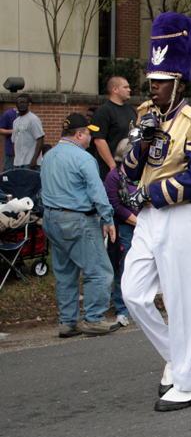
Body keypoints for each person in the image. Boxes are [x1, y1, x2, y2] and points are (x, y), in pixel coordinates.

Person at [120, 13, 191, 412]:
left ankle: (189, 385)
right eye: (152, 80)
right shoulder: (145, 114)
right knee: (133, 293)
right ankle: (177, 358)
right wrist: (142, 141)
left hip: (178, 214)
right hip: (148, 217)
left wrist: (151, 192)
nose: (153, 87)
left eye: (161, 81)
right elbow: (128, 170)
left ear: (178, 82)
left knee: (180, 301)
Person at [41, 113, 119, 337]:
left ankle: (68, 322)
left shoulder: (49, 156)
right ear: (79, 134)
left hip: (51, 218)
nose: (90, 138)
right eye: (88, 134)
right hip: (77, 219)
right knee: (99, 270)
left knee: (65, 273)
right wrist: (107, 219)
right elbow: (97, 192)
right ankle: (93, 318)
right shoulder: (83, 158)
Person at [103, 145, 139, 327]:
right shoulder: (114, 177)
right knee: (124, 270)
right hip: (126, 228)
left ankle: (141, 308)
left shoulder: (142, 174)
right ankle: (122, 310)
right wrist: (140, 223)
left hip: (146, 226)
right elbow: (116, 207)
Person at [93, 76, 138, 181]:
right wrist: (112, 166)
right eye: (125, 87)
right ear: (115, 89)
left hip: (130, 168)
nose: (129, 90)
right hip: (110, 172)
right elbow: (99, 140)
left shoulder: (130, 109)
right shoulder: (103, 111)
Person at [11, 94, 44, 170]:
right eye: (19, 103)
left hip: (30, 163)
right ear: (16, 105)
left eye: (24, 102)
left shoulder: (33, 119)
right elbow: (13, 142)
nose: (22, 104)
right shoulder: (15, 122)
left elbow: (40, 139)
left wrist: (34, 160)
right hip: (18, 163)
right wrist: (13, 161)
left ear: (28, 104)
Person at [0, 104, 18, 172]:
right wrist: (13, 131)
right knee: (8, 174)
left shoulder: (30, 117)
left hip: (25, 154)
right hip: (10, 153)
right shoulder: (8, 114)